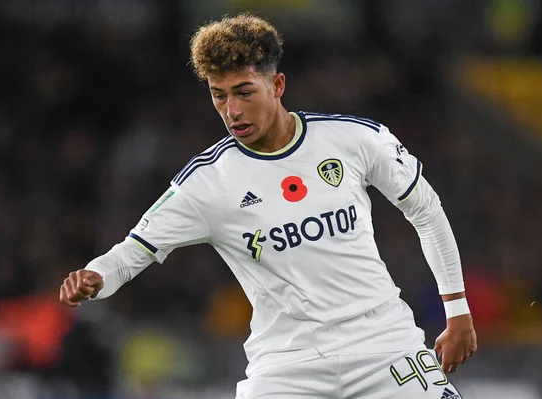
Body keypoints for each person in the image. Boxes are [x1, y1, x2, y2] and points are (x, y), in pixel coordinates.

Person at [59, 13, 477, 399]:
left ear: (277, 86)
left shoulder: (353, 139)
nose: (232, 110)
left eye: (243, 92)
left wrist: (456, 310)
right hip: (288, 366)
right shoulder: (207, 181)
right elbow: (132, 253)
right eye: (218, 96)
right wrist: (96, 275)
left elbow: (427, 210)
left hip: (383, 346)